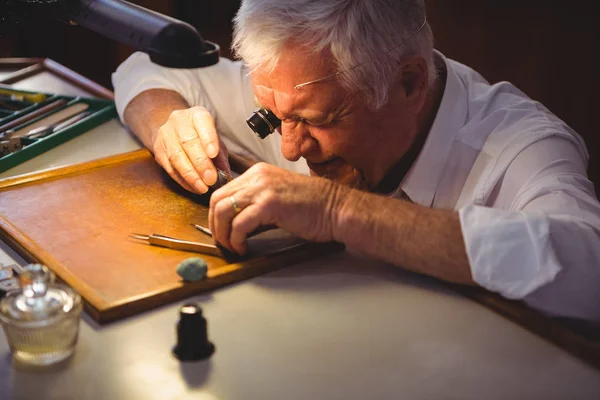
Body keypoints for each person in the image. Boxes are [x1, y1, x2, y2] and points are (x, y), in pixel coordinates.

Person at [112, 0, 600, 322]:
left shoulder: (519, 147)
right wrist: (168, 126)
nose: (289, 147)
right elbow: (145, 68)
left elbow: (588, 269)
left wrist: (335, 211)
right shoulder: (296, 85)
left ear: (409, 83)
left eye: (319, 121)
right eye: (275, 116)